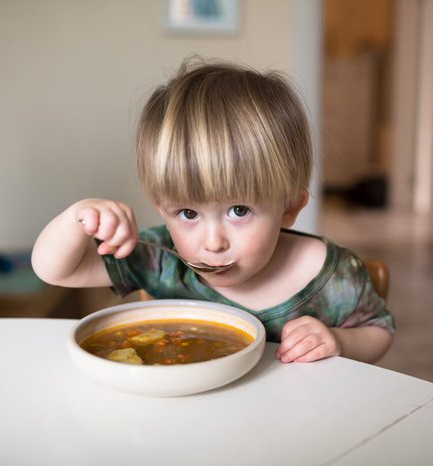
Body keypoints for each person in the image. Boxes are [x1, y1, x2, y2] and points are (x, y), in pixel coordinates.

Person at [32, 58, 395, 364]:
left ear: (290, 208)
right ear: (163, 208)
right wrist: (78, 218)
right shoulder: (161, 258)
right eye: (188, 214)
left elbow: (380, 330)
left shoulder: (332, 276)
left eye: (239, 210)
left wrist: (340, 342)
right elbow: (55, 271)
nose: (213, 242)